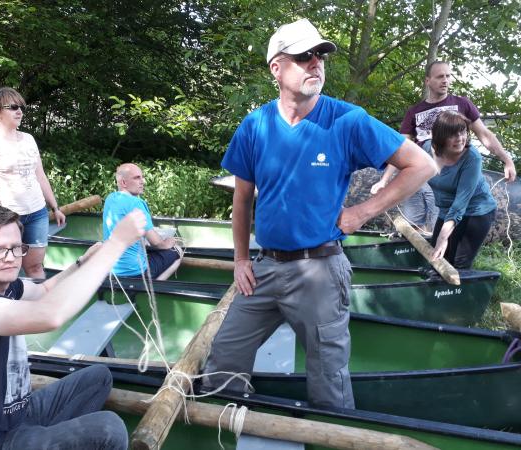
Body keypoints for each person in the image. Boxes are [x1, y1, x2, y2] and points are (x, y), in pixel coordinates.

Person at [202, 18, 436, 410]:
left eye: (320, 55)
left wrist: (363, 211)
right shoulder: (255, 125)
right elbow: (241, 199)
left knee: (328, 379)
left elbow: (422, 165)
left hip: (320, 271)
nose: (316, 63)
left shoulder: (347, 119)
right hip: (264, 269)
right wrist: (241, 258)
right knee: (223, 359)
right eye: (304, 56)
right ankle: (225, 424)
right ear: (276, 68)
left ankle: (331, 432)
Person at [0, 204, 146, 450]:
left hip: (17, 418)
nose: (10, 257)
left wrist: (83, 262)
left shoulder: (5, 285)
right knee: (109, 429)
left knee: (99, 377)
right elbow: (50, 314)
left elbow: (44, 291)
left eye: (15, 248)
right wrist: (115, 244)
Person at [371, 60, 516, 232]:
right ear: (427, 80)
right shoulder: (414, 112)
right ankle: (412, 256)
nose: (445, 80)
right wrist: (384, 180)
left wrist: (507, 160)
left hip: (443, 178)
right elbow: (401, 149)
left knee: (436, 228)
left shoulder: (462, 104)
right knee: (411, 227)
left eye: (448, 76)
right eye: (440, 76)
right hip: (415, 174)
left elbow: (484, 134)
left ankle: (437, 254)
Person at [0, 87, 66, 279]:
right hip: (7, 217)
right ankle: (10, 306)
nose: (20, 111)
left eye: (22, 107)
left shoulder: (29, 139)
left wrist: (55, 207)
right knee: (8, 268)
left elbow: (40, 175)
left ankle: (40, 306)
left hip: (37, 213)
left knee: (35, 267)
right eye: (13, 107)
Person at [424, 111, 497, 269]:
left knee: (458, 263)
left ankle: (459, 291)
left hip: (476, 212)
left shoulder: (472, 158)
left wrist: (443, 237)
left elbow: (459, 204)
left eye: (462, 131)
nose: (460, 138)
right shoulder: (427, 149)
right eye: (452, 134)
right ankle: (434, 292)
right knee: (435, 258)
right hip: (446, 211)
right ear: (440, 137)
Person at [102, 163, 183, 280]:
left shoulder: (110, 198)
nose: (143, 181)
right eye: (136, 178)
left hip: (110, 270)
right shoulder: (136, 203)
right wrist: (168, 242)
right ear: (124, 183)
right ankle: (154, 286)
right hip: (135, 272)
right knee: (177, 251)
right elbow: (157, 243)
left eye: (142, 177)